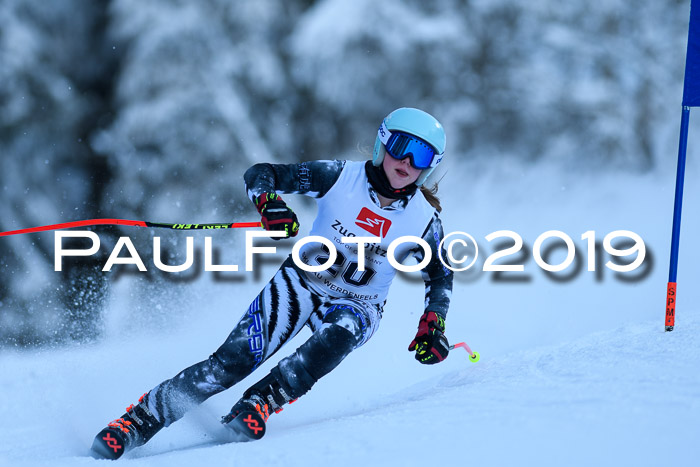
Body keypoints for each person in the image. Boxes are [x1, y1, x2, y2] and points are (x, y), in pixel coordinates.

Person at [91, 107, 454, 459]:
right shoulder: (340, 176)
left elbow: (440, 275)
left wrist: (432, 324)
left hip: (358, 305)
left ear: (429, 167)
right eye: (401, 146)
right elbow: (262, 173)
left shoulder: (423, 220)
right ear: (382, 144)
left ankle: (260, 402)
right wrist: (269, 204)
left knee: (336, 337)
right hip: (301, 283)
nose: (406, 161)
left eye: (420, 155)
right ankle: (137, 422)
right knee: (231, 363)